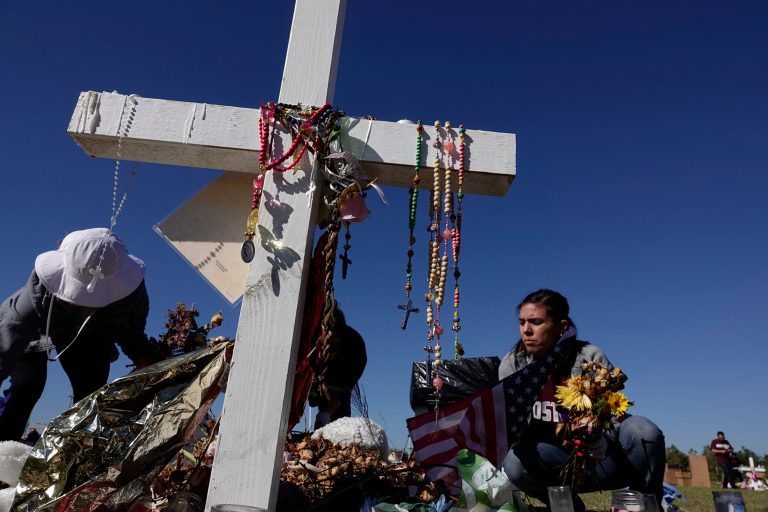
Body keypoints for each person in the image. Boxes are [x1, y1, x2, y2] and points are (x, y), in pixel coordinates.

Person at [499, 289, 666, 512]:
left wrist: (596, 431)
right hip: (554, 465)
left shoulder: (590, 356)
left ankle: (644, 504)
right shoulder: (513, 366)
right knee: (514, 462)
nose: (526, 330)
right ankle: (564, 504)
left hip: (603, 460)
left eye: (536, 322)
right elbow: (507, 427)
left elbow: (615, 414)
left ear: (561, 327)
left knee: (642, 430)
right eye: (522, 322)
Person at [0, 228, 154, 442]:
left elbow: (131, 329)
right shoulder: (38, 289)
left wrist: (142, 356)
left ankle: (72, 453)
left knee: (90, 394)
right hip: (39, 327)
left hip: (90, 335)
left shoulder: (132, 293)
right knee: (27, 385)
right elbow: (10, 333)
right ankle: (3, 445)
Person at [309, 307, 367, 429]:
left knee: (339, 423)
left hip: (341, 380)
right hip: (318, 376)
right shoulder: (311, 340)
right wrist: (313, 390)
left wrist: (326, 413)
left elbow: (344, 388)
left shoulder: (354, 345)